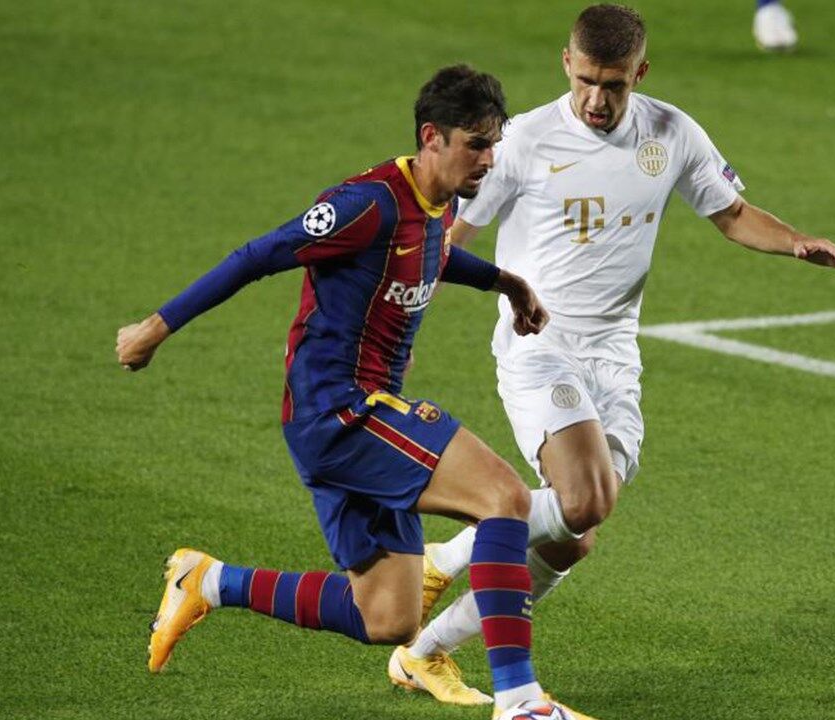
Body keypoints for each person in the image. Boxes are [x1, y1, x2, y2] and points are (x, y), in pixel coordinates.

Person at [387, 4, 835, 705]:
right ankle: (451, 562)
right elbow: (448, 237)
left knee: (574, 535)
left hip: (615, 357)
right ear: (566, 63)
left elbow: (732, 213)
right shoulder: (523, 142)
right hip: (539, 345)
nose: (596, 99)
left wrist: (797, 242)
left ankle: (425, 652)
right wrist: (397, 316)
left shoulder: (671, 133)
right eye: (585, 80)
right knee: (583, 501)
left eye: (613, 85)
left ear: (639, 73)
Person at [115, 64, 595, 719]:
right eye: (476, 144)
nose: (489, 159)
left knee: (388, 616)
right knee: (504, 499)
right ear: (432, 137)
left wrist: (504, 283)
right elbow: (258, 255)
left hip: (348, 418)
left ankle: (210, 580)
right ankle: (519, 703)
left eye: (494, 144)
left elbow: (433, 251)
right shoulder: (364, 205)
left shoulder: (441, 200)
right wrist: (154, 328)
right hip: (340, 411)